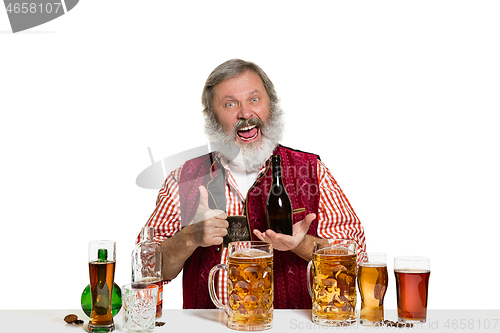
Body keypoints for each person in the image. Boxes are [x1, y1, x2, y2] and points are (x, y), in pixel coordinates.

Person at [139, 59, 366, 309]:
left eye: (254, 100)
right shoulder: (185, 178)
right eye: (230, 104)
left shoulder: (313, 172)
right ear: (212, 116)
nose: (245, 114)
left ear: (272, 104)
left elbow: (358, 262)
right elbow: (147, 270)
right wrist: (189, 237)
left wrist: (302, 244)